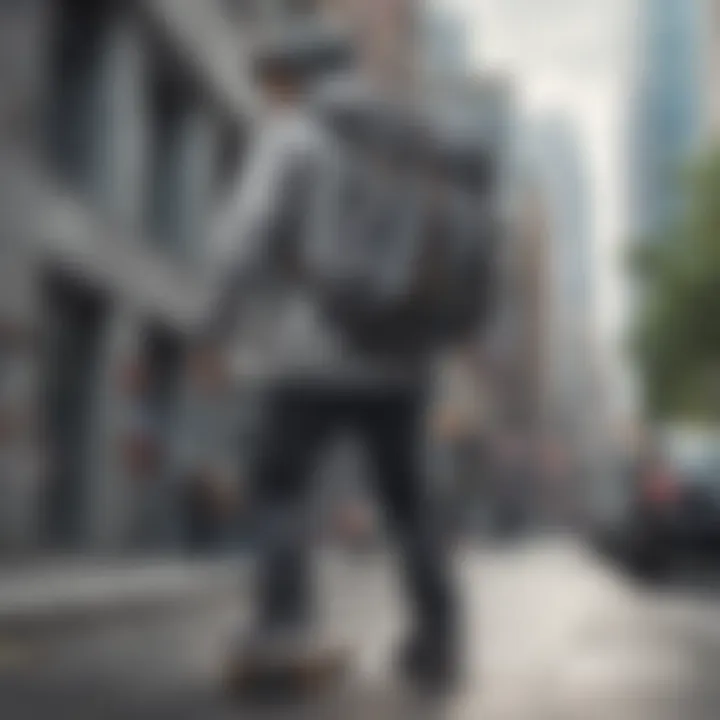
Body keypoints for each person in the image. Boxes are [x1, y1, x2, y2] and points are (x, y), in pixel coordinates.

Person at [194, 30, 467, 690]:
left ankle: (285, 628)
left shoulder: (295, 135)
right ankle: (437, 641)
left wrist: (213, 329)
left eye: (275, 81)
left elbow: (245, 239)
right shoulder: (411, 144)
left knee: (278, 488)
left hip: (312, 354)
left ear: (297, 78)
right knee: (410, 506)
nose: (270, 95)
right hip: (403, 362)